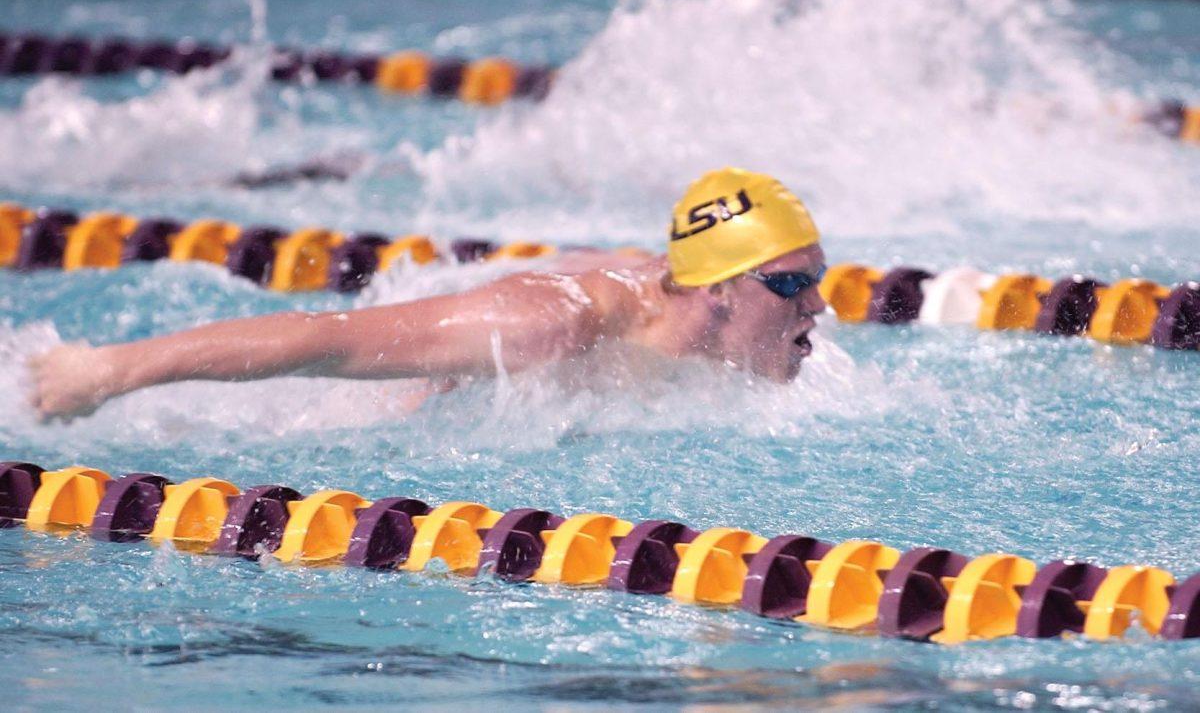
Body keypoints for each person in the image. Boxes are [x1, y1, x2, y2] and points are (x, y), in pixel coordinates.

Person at [28, 168, 827, 420]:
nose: (817, 309)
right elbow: (325, 338)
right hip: (375, 407)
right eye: (792, 286)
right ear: (716, 290)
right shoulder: (547, 327)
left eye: (818, 283)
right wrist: (103, 375)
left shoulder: (710, 321)